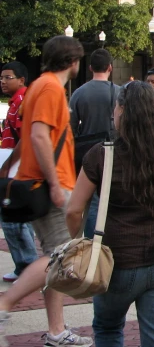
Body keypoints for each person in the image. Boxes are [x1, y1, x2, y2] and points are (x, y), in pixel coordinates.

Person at [66, 81, 154, 346]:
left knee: (108, 329)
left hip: (114, 262)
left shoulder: (102, 156)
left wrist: (77, 240)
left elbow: (74, 209)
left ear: (121, 111)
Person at [0, 36, 92, 346]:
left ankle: (56, 330)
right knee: (60, 257)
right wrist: (55, 184)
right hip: (50, 182)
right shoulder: (52, 88)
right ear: (74, 62)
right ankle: (5, 304)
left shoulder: (38, 85)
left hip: (36, 180)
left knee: (56, 258)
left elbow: (26, 135)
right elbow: (39, 136)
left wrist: (8, 166)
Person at [68, 48, 119, 239]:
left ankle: (90, 241)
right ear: (110, 68)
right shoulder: (119, 93)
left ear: (90, 67)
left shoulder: (79, 93)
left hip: (87, 153)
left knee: (91, 201)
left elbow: (71, 128)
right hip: (115, 151)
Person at [0, 62, 38, 284]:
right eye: (2, 78)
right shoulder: (15, 102)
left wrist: (7, 165)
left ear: (22, 80)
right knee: (15, 218)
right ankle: (24, 264)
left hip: (17, 169)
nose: (3, 81)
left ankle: (27, 265)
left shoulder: (23, 102)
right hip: (14, 167)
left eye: (8, 77)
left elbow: (27, 137)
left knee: (14, 219)